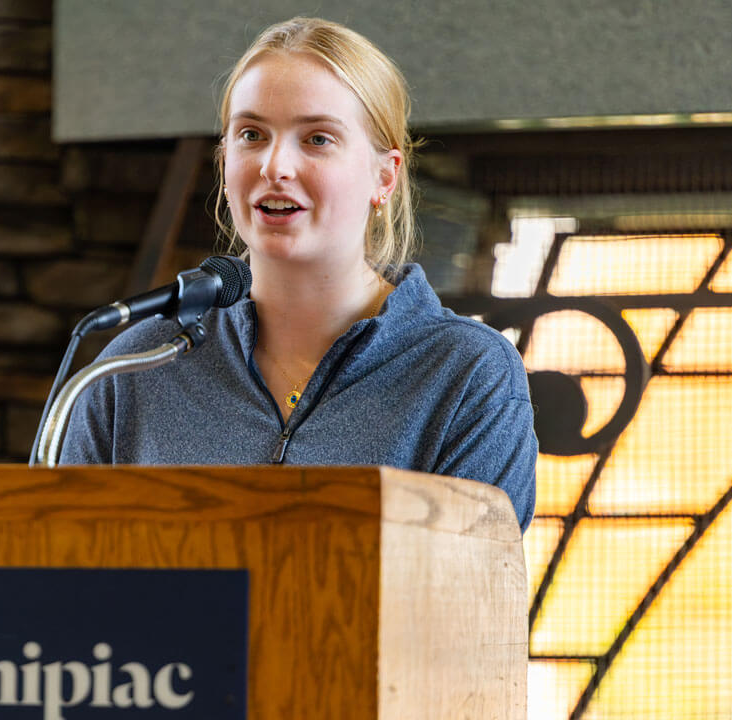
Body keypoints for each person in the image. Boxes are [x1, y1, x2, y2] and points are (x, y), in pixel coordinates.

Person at [59, 17, 536, 531]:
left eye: (317, 139)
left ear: (384, 176)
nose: (275, 165)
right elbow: (57, 582)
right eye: (251, 134)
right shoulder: (133, 367)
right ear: (224, 164)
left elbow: (473, 602)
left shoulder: (468, 375)